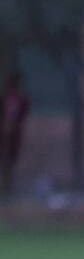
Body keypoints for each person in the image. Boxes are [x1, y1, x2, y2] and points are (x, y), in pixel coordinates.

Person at [0, 72, 30, 202]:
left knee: (11, 161)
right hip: (4, 135)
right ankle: (5, 187)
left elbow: (23, 114)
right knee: (4, 160)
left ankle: (9, 187)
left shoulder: (21, 99)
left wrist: (14, 126)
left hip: (14, 135)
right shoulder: (4, 98)